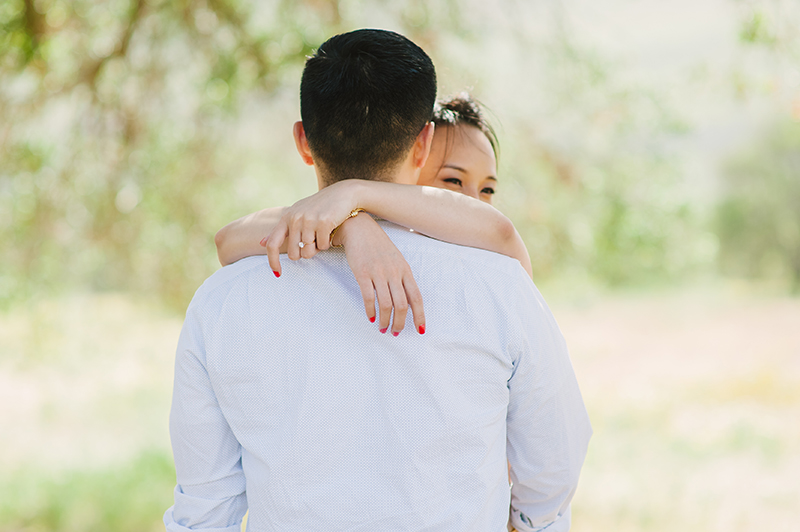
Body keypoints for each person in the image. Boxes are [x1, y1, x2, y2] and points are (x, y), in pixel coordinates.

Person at [164, 28, 592, 532]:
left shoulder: (222, 302)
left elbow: (205, 509)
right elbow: (553, 468)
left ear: (303, 140)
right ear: (423, 144)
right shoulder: (499, 287)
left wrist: (349, 218)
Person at [214, 94, 532, 335]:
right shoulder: (381, 233)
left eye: (488, 189)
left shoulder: (497, 261)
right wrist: (351, 226)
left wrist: (354, 193)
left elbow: (501, 232)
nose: (474, 201)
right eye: (452, 181)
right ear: (415, 160)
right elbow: (228, 239)